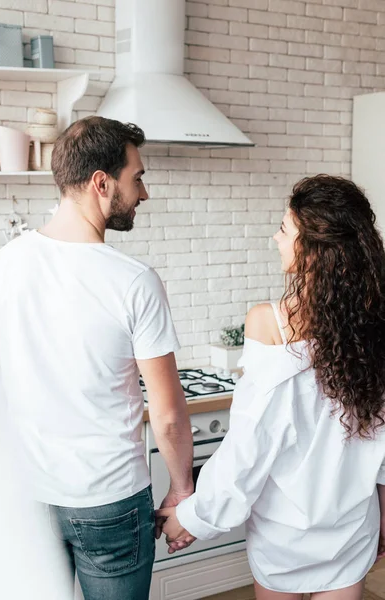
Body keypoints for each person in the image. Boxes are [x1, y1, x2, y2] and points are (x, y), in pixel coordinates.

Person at [0, 116, 193, 600]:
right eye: (136, 178)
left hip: (26, 494)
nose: (143, 194)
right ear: (101, 182)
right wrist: (183, 489)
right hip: (109, 501)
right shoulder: (133, 280)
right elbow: (167, 412)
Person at [158, 174, 385, 600]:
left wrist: (191, 517)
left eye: (284, 229)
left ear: (314, 248)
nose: (275, 238)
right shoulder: (375, 328)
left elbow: (250, 447)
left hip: (284, 533)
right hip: (352, 528)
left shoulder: (271, 324)